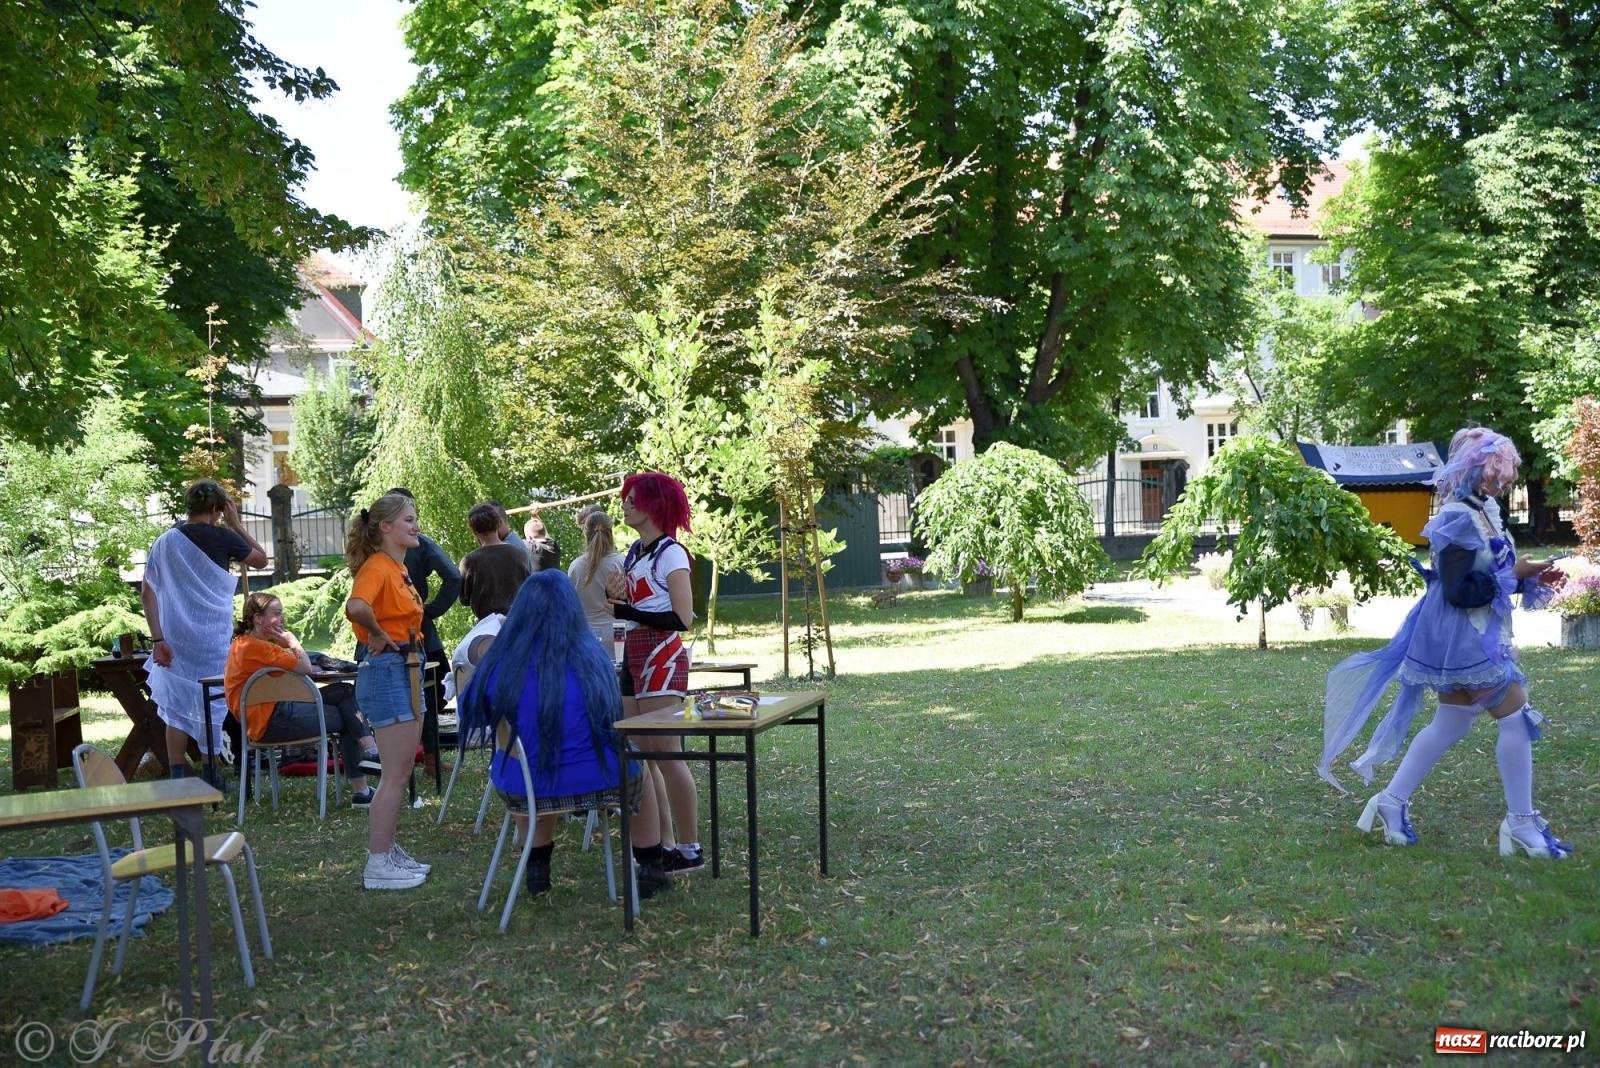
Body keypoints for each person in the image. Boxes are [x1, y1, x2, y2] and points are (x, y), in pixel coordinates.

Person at [1319, 426, 1571, 858]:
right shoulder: (1458, 516)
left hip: (1469, 632)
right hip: (1462, 634)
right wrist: (1515, 575)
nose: (1503, 483)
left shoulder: (1483, 510)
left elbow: (1486, 575)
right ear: (1478, 470)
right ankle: (1521, 822)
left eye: (1506, 476)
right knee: (1516, 717)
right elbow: (1458, 590)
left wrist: (1527, 575)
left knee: (1452, 721)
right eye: (1497, 474)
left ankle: (1391, 801)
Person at [459, 571, 671, 898]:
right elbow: (612, 718)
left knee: (531, 762)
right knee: (639, 767)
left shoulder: (500, 664)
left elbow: (470, 712)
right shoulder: (593, 659)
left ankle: (537, 867)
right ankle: (650, 865)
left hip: (521, 787)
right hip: (599, 780)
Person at [604, 472, 704, 876]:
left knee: (666, 754)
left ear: (655, 505)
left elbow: (683, 618)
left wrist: (625, 609)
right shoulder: (634, 552)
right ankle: (661, 844)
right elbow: (636, 606)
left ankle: (690, 848)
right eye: (625, 498)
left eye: (633, 499)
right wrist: (618, 598)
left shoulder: (671, 553)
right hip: (633, 654)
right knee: (642, 755)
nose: (625, 505)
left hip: (662, 656)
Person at [142, 479, 268, 784]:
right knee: (212, 702)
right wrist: (236, 524)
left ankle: (178, 776)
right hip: (211, 637)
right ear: (217, 509)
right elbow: (261, 560)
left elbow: (147, 592)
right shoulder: (224, 537)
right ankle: (211, 775)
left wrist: (157, 639)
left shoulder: (165, 541)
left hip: (174, 637)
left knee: (176, 707)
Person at [345, 493, 432, 890]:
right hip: (387, 671)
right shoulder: (378, 566)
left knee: (401, 770)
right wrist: (377, 633)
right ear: (385, 527)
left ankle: (388, 850)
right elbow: (356, 607)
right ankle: (378, 863)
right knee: (395, 774)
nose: (416, 526)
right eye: (408, 520)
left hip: (406, 667)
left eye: (415, 519)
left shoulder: (398, 567)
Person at [223, 592, 380, 805]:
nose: (282, 619)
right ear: (258, 619)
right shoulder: (260, 647)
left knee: (344, 691)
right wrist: (292, 641)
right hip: (271, 722)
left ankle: (370, 756)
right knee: (349, 716)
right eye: (277, 614)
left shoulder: (243, 644)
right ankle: (364, 781)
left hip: (266, 718)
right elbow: (305, 667)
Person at [384, 487, 459, 776]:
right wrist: (431, 610)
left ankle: (412, 761)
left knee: (407, 696)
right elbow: (453, 576)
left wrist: (430, 610)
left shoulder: (370, 548)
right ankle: (428, 760)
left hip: (389, 633)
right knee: (425, 694)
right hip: (411, 632)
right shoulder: (418, 544)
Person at [459, 502, 533, 622]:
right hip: (518, 620)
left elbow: (464, 599)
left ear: (474, 531)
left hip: (487, 623)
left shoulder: (469, 562)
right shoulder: (520, 554)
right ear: (498, 523)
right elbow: (529, 587)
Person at [568, 507, 625, 650]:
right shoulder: (622, 562)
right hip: (620, 633)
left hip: (588, 636)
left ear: (585, 534)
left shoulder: (575, 566)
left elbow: (571, 605)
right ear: (610, 533)